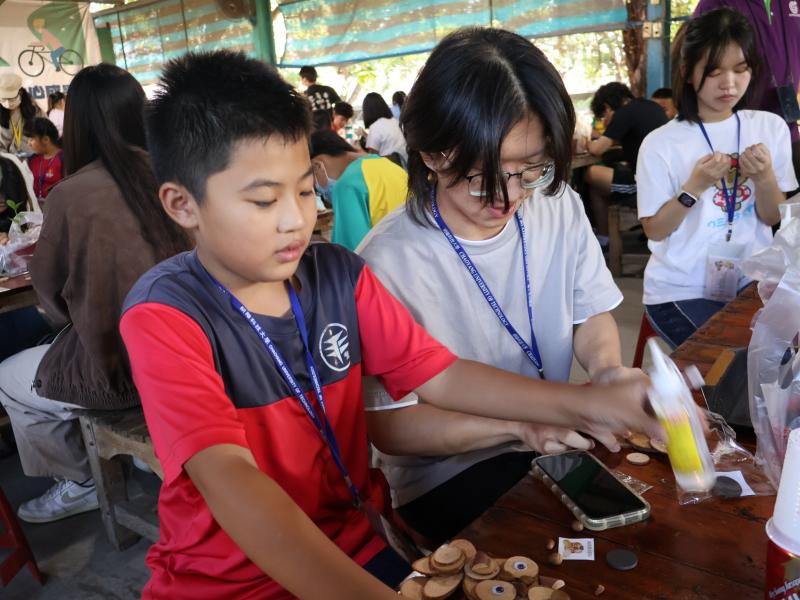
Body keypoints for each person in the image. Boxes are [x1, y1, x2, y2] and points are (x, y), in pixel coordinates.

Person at [124, 49, 660, 600]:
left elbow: (444, 376)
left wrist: (594, 401)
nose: (295, 219)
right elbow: (230, 479)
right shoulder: (167, 316)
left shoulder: (340, 277)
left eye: (307, 191)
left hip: (358, 541)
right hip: (228, 581)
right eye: (264, 201)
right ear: (182, 204)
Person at [357, 27, 643, 544]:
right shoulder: (385, 263)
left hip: (555, 436)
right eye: (484, 174)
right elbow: (394, 431)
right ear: (431, 153)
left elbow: (590, 310)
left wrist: (606, 370)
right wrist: (518, 428)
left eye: (531, 169)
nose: (509, 196)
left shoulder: (557, 205)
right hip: (449, 474)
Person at [0, 63, 189, 524]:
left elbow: (50, 296)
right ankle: (139, 455)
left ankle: (82, 480)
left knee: (8, 377)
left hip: (127, 375)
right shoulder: (183, 173)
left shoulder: (71, 193)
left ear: (76, 124)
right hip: (203, 354)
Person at [637, 8, 797, 348]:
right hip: (678, 289)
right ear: (688, 73)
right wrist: (693, 187)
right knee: (737, 363)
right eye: (715, 72)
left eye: (741, 70)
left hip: (751, 282)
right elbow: (655, 229)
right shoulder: (660, 143)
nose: (730, 84)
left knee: (782, 359)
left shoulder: (769, 128)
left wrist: (765, 177)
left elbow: (772, 217)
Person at [694, 0, 800, 182]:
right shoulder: (714, 3)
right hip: (735, 137)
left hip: (787, 128)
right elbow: (696, 62)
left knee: (788, 202)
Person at [585, 82, 668, 246]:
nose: (605, 120)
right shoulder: (651, 106)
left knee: (590, 174)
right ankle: (603, 237)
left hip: (647, 186)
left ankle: (603, 238)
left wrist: (585, 142)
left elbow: (596, 149)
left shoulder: (623, 113)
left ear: (608, 107)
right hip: (666, 181)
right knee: (597, 186)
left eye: (603, 115)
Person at [310, 130, 407, 250]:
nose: (320, 193)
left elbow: (350, 256)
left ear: (317, 165)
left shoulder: (346, 186)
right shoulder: (391, 166)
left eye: (315, 187)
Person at [0, 73, 43, 154]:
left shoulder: (35, 111)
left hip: (33, 159)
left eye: (12, 98)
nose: (8, 103)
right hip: (7, 161)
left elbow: (47, 133)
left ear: (21, 92)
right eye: (3, 99)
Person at [363, 92, 407, 167]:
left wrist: (357, 149)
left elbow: (372, 156)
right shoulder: (394, 121)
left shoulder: (375, 127)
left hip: (390, 168)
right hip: (405, 165)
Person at [26, 117, 63, 200]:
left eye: (31, 139)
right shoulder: (32, 160)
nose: (28, 143)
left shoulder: (63, 160)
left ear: (46, 139)